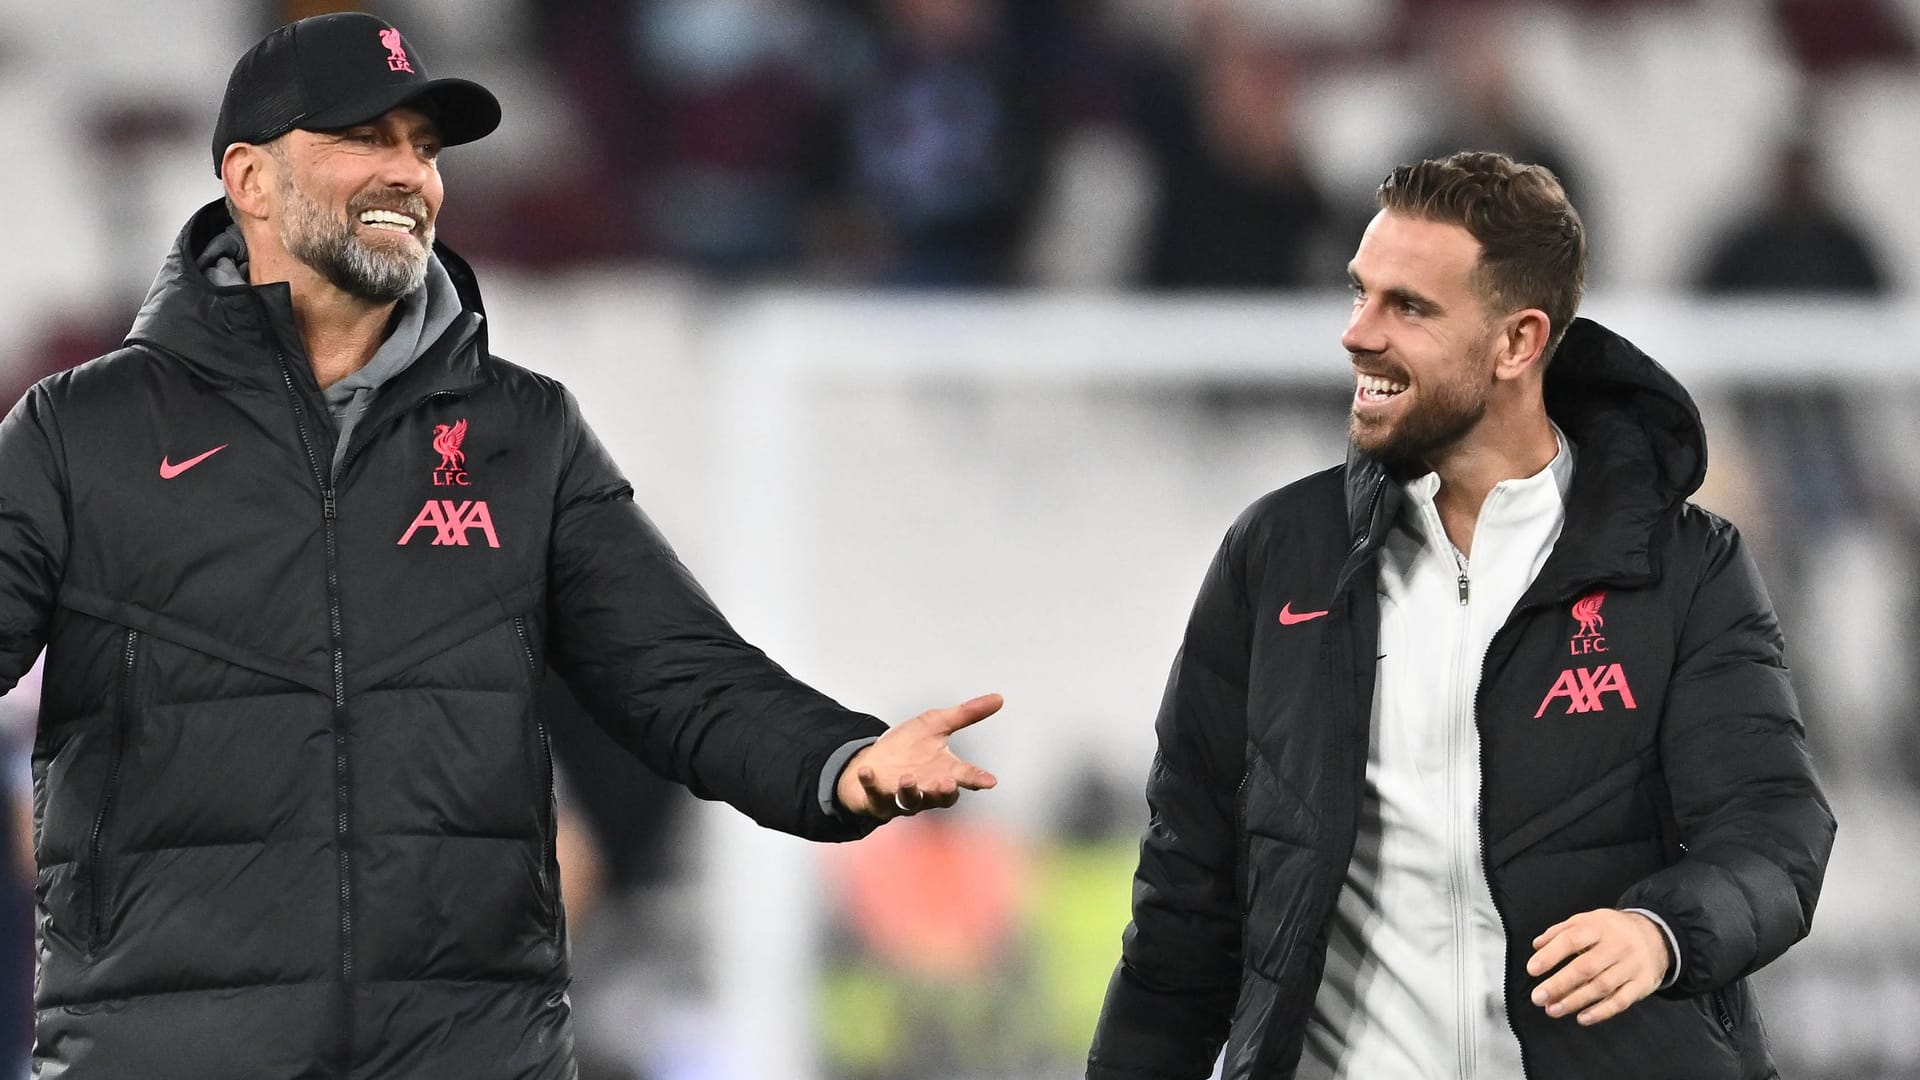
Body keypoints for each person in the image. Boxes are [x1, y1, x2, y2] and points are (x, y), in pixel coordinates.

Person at [0, 13, 1000, 1078]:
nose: (408, 174)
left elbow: (677, 672)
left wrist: (837, 761)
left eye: (423, 148)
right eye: (363, 139)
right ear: (248, 178)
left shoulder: (525, 434)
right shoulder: (83, 436)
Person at [1086, 152, 1835, 1079]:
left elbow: (1774, 830)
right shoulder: (1277, 556)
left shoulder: (1685, 567)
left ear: (1517, 343)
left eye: (1408, 306)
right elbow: (1181, 910)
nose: (1358, 333)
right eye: (1359, 294)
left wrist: (1660, 934)